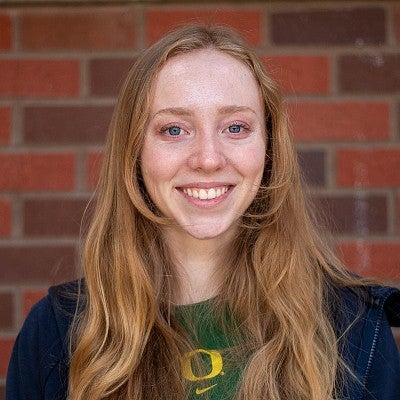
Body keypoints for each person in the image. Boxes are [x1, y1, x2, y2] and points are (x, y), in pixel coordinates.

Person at [6, 25, 400, 400]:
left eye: (235, 128)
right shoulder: (56, 334)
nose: (209, 159)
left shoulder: (354, 328)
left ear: (269, 148)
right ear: (135, 154)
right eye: (175, 130)